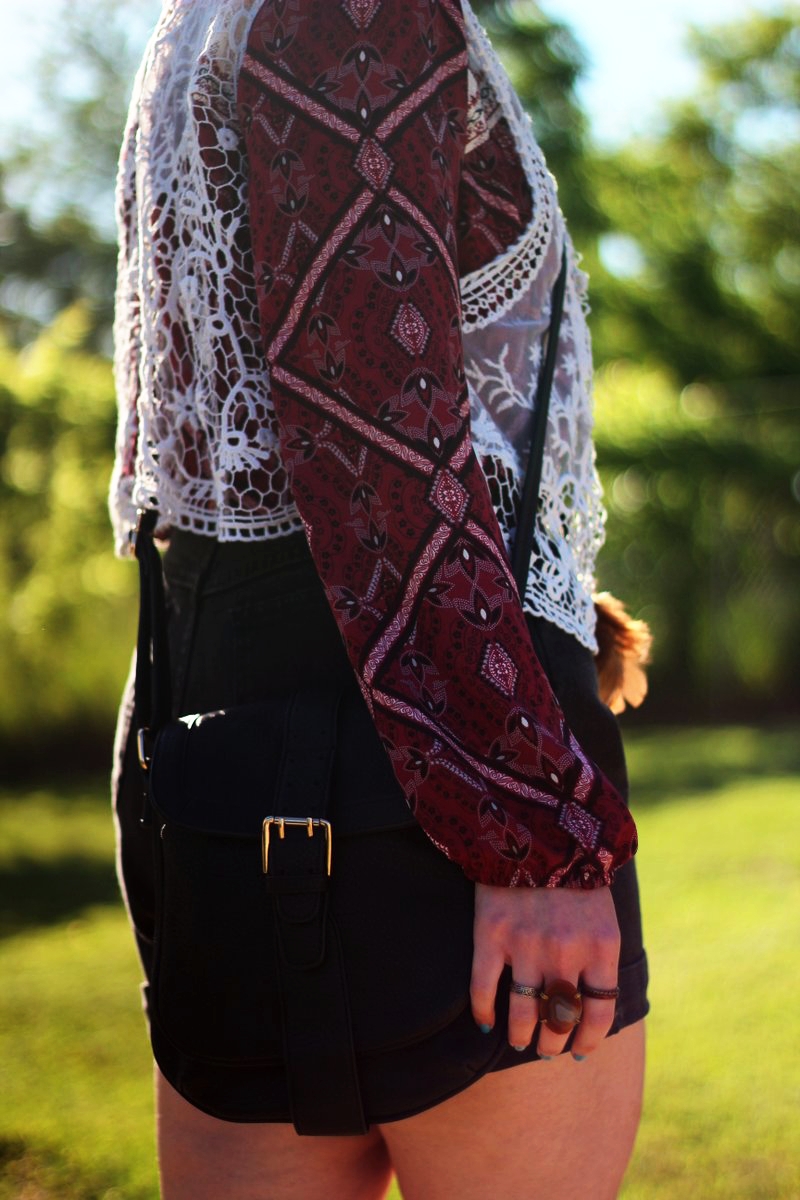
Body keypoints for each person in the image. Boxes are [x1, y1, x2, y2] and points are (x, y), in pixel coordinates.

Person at [110, 1, 648, 1197]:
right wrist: (529, 836)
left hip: (214, 756)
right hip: (439, 769)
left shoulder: (196, 23)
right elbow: (372, 437)